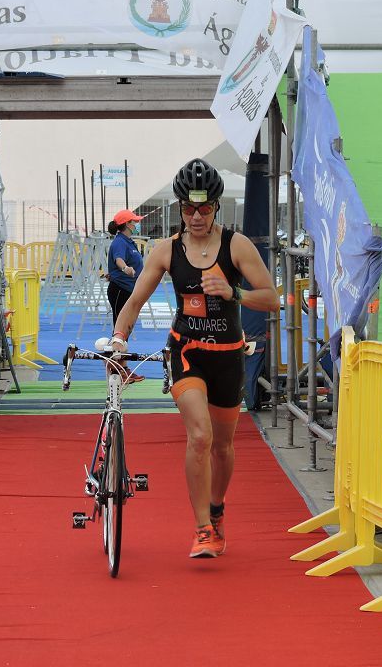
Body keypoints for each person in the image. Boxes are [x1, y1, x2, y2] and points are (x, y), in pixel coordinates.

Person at [108, 158, 278, 559]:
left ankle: (217, 509)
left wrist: (234, 294)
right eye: (188, 208)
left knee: (222, 446)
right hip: (186, 352)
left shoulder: (237, 246)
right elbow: (134, 302)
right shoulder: (167, 250)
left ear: (216, 206)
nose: (196, 216)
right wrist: (118, 340)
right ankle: (203, 528)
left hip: (228, 356)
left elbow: (271, 298)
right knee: (199, 436)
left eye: (204, 208)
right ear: (179, 207)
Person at [106, 208, 145, 384]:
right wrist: (125, 269)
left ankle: (122, 367)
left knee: (125, 330)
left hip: (129, 290)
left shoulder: (128, 241)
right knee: (120, 331)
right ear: (127, 224)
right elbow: (118, 260)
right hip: (120, 289)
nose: (137, 224)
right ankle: (116, 368)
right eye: (134, 221)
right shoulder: (120, 242)